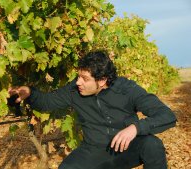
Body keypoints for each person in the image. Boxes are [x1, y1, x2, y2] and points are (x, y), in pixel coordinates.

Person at [9, 51, 177, 169]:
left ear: (102, 80)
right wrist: (30, 93)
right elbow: (47, 102)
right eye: (78, 76)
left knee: (152, 144)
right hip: (94, 150)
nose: (78, 82)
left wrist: (136, 128)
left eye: (85, 78)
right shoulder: (74, 90)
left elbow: (166, 115)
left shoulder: (127, 89)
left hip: (128, 149)